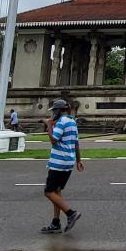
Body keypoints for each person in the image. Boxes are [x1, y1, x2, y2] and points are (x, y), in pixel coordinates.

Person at [41, 99, 83, 233]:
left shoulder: (62, 122)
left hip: (58, 162)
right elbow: (76, 143)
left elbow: (54, 140)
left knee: (48, 192)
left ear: (58, 111)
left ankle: (71, 213)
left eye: (54, 111)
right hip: (68, 162)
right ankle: (55, 222)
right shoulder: (72, 121)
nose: (53, 114)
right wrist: (78, 160)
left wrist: (48, 125)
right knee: (57, 191)